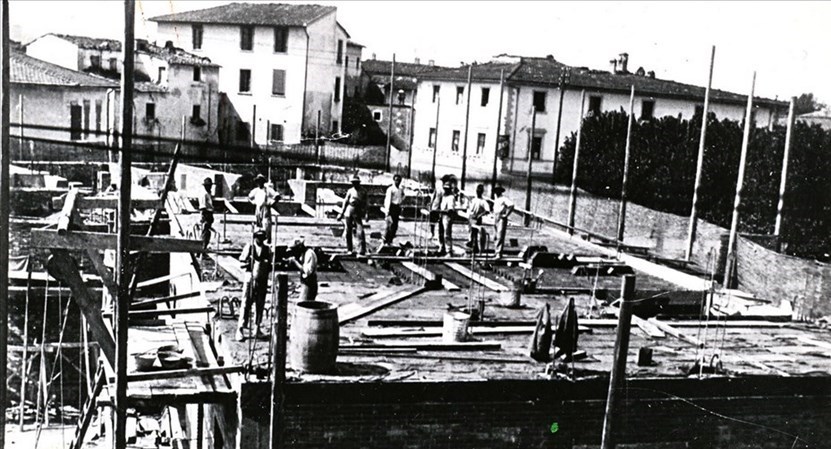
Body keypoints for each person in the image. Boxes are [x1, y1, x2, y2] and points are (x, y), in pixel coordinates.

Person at [236, 230, 272, 341]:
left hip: (262, 280)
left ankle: (257, 328)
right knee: (246, 303)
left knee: (260, 304)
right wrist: (249, 263)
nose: (260, 240)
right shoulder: (249, 248)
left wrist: (267, 264)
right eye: (258, 237)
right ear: (255, 237)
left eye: (262, 237)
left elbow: (270, 265)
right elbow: (241, 264)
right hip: (250, 279)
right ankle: (240, 328)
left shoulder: (267, 249)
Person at [337, 173, 367, 255]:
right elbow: (345, 201)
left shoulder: (363, 191)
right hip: (349, 210)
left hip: (358, 211)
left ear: (359, 182)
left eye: (356, 182)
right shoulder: (350, 191)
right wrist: (341, 213)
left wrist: (366, 213)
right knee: (348, 230)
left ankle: (362, 249)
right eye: (353, 182)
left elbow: (366, 203)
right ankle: (349, 249)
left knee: (360, 230)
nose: (354, 184)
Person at [248, 174, 280, 241]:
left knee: (266, 224)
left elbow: (276, 195)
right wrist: (253, 202)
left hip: (265, 209)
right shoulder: (255, 190)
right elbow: (249, 197)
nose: (260, 183)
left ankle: (267, 241)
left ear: (263, 182)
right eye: (258, 181)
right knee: (258, 226)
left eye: (261, 181)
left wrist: (272, 202)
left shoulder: (268, 190)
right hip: (258, 209)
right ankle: (258, 242)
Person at [438, 174, 460, 256]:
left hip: (447, 217)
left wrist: (444, 211)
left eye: (447, 189)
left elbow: (451, 209)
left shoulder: (451, 197)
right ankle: (442, 248)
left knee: (447, 234)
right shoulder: (444, 196)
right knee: (440, 233)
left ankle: (448, 251)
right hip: (442, 215)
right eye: (445, 188)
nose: (445, 190)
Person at [467, 184, 490, 254]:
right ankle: (474, 247)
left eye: (480, 191)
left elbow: (487, 210)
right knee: (471, 232)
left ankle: (475, 247)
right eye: (477, 191)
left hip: (477, 218)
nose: (478, 192)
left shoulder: (483, 201)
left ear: (482, 192)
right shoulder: (473, 200)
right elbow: (469, 208)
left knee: (475, 233)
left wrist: (480, 215)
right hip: (471, 217)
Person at [492, 183, 514, 258]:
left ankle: (499, 253)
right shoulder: (496, 199)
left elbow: (511, 205)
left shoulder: (504, 199)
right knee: (495, 235)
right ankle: (496, 251)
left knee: (500, 235)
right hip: (495, 216)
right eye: (495, 191)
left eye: (498, 191)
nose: (496, 192)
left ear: (500, 191)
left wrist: (506, 215)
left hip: (501, 217)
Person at [383, 174, 404, 245]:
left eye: (399, 180)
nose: (397, 181)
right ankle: (385, 240)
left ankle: (390, 240)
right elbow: (388, 200)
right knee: (390, 225)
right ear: (394, 180)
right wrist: (387, 211)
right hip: (391, 207)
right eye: (396, 180)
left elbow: (403, 196)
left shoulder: (400, 189)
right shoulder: (390, 189)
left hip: (397, 208)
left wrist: (400, 202)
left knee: (395, 225)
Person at [198, 177, 214, 250]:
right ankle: (202, 248)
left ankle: (204, 247)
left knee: (208, 232)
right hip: (206, 213)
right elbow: (202, 206)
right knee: (205, 232)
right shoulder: (204, 194)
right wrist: (203, 216)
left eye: (210, 185)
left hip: (209, 213)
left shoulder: (209, 193)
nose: (210, 187)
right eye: (208, 185)